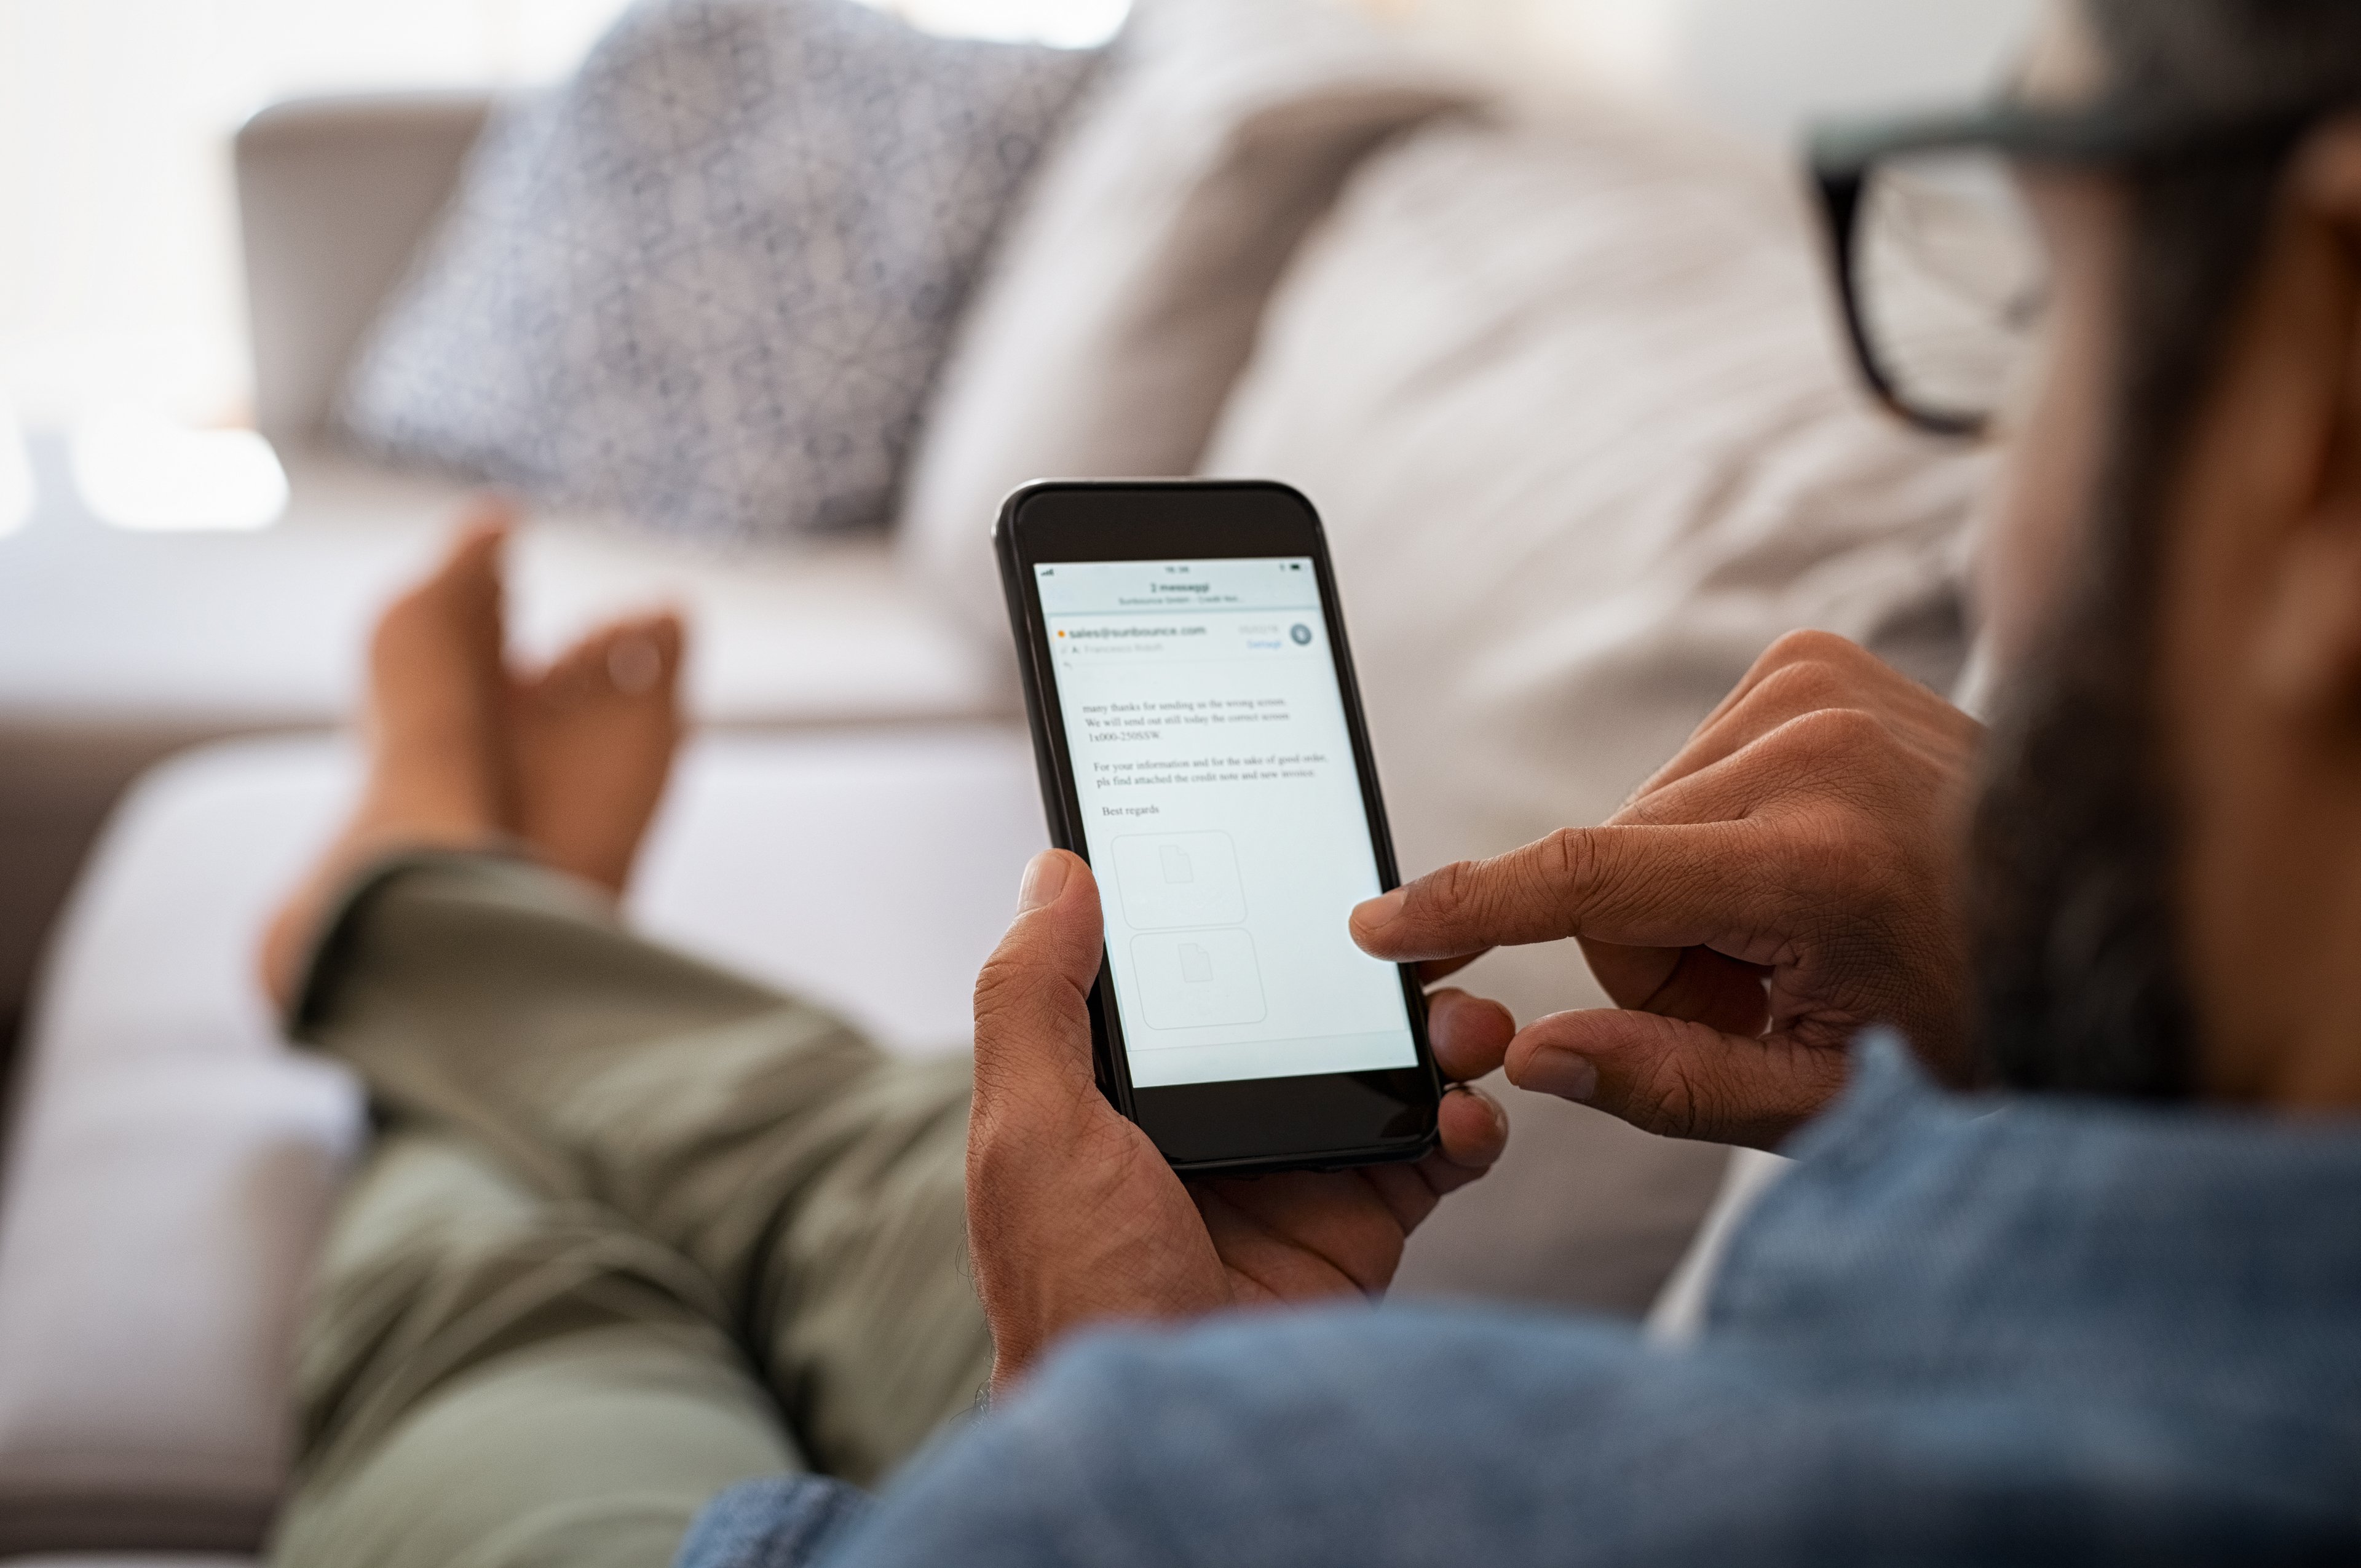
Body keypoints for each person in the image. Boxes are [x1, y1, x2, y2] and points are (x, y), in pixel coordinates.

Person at [263, 0, 2361, 1562]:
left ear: (2329, 428)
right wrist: (2067, 1029)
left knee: (524, 1294)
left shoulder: (1197, 1490)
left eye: (2034, 311)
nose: (1998, 521)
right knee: (868, 1152)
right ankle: (474, 928)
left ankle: (419, 900)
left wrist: (1115, 1431)